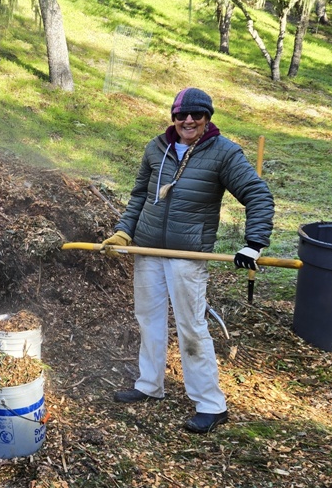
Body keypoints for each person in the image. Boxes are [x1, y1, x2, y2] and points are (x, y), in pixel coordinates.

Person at [103, 87, 274, 434]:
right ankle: (150, 385)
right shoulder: (156, 148)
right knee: (148, 319)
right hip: (148, 249)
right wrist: (123, 231)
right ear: (174, 118)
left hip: (187, 254)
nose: (189, 121)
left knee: (191, 326)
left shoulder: (223, 153)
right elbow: (139, 196)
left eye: (197, 114)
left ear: (207, 117)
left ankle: (211, 404)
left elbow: (257, 194)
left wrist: (253, 244)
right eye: (182, 115)